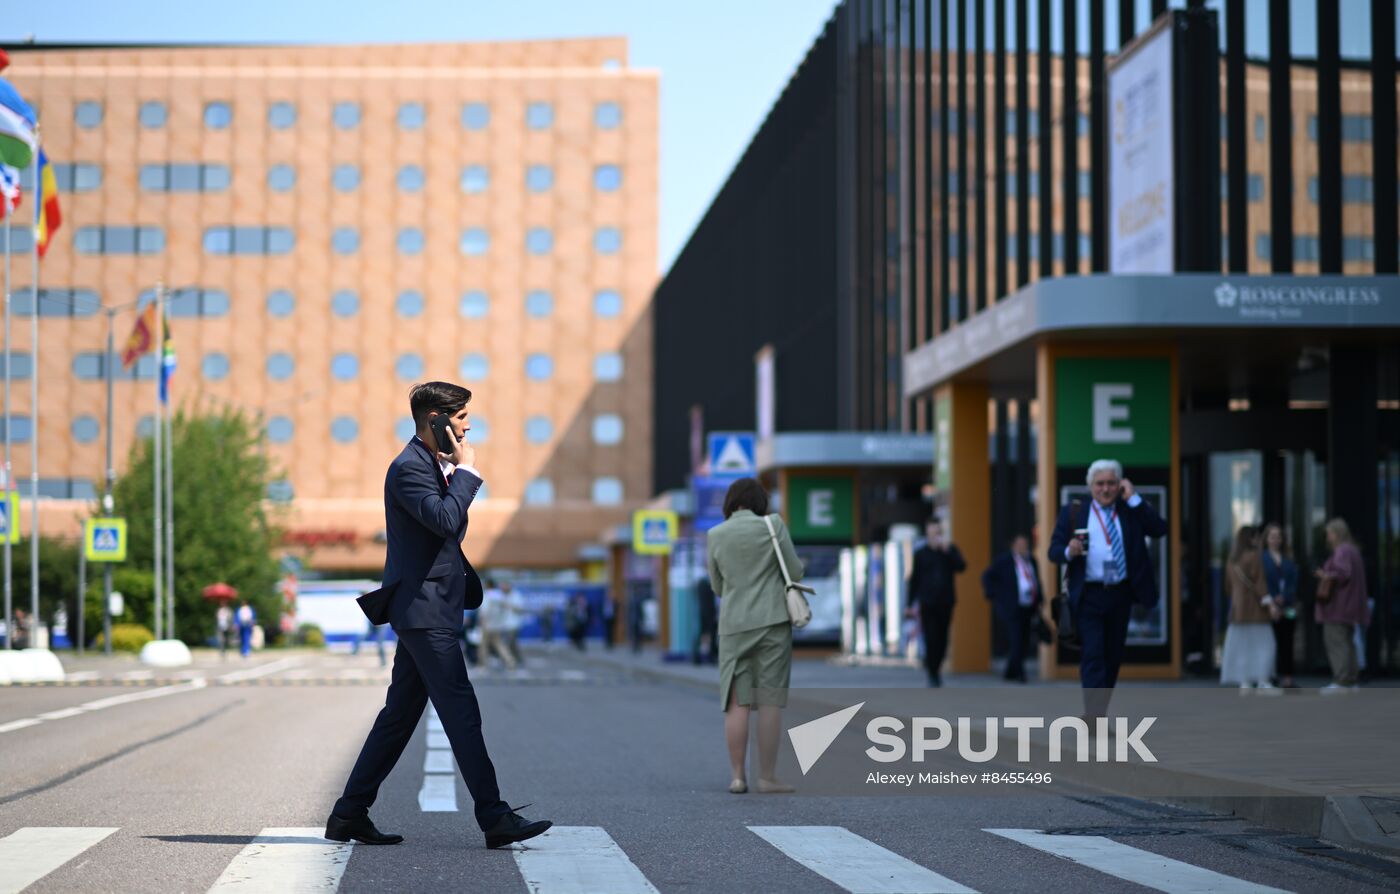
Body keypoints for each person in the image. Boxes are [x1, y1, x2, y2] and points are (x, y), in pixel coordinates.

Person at [326, 381, 550, 850]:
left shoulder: (428, 465)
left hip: (428, 608)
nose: (468, 426)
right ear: (436, 421)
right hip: (425, 612)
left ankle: (349, 814)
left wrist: (452, 471)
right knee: (461, 712)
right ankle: (494, 817)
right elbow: (447, 521)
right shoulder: (408, 468)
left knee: (398, 718)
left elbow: (445, 526)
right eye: (463, 417)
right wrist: (466, 472)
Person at [1048, 459, 1168, 718]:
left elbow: (1159, 529)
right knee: (1093, 654)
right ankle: (1093, 716)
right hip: (1090, 595)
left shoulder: (1129, 510)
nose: (1105, 489)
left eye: (1111, 483)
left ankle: (1097, 712)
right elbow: (1053, 551)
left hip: (1120, 594)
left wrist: (1134, 497)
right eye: (1100, 484)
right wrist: (1070, 550)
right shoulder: (1074, 511)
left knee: (1112, 658)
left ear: (1120, 485)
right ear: (1090, 486)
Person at [706, 477, 802, 795]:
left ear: (731, 503)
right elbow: (795, 571)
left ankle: (737, 776)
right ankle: (767, 777)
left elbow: (717, 586)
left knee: (737, 702)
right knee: (770, 700)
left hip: (733, 625)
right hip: (773, 621)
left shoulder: (715, 535)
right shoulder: (773, 524)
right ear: (761, 501)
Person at [904, 519, 966, 687]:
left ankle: (936, 667)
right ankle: (932, 672)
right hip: (927, 602)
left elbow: (961, 566)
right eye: (933, 531)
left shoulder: (949, 549)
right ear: (927, 532)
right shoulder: (921, 553)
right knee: (931, 636)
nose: (936, 535)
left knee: (942, 637)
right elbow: (914, 580)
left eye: (938, 531)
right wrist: (909, 604)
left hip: (946, 601)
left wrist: (947, 552)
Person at [1219, 526, 1278, 691]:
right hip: (1255, 610)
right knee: (1266, 646)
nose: (1259, 541)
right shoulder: (1254, 557)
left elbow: (1228, 588)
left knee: (1243, 648)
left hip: (1238, 611)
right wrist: (1270, 604)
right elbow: (1260, 584)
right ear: (1251, 539)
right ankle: (1263, 681)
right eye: (1257, 537)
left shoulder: (1231, 561)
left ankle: (1244, 682)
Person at [1315, 517, 1370, 694]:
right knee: (1348, 643)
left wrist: (1325, 575)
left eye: (1329, 533)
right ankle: (1351, 680)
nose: (1327, 536)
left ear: (1337, 533)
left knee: (1336, 642)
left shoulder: (1342, 551)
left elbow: (1342, 574)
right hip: (1351, 607)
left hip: (1337, 607)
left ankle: (1342, 681)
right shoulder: (1353, 550)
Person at [981, 534, 1041, 683]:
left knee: (1025, 640)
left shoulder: (1031, 560)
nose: (1023, 548)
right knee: (1016, 639)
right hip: (1012, 607)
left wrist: (1040, 599)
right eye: (1020, 545)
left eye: (1025, 545)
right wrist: (994, 595)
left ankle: (1010, 671)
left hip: (1028, 606)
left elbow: (1036, 581)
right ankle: (1020, 673)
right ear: (1013, 546)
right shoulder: (1004, 561)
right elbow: (987, 576)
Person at [1261, 523, 1299, 687]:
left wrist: (1284, 597)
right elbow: (1261, 582)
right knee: (1270, 643)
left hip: (1287, 606)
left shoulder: (1288, 560)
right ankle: (1270, 675)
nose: (1276, 540)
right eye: (1272, 536)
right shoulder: (1261, 559)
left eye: (1278, 537)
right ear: (1267, 539)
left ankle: (1287, 678)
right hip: (1269, 608)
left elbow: (1294, 582)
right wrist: (1272, 599)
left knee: (1287, 641)